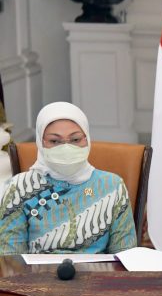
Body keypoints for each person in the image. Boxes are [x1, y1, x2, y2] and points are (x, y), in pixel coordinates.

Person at [0, 102, 137, 254]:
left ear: (87, 139)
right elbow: (10, 260)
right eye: (54, 141)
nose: (66, 148)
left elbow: (125, 256)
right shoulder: (19, 187)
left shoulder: (112, 186)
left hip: (98, 275)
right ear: (40, 142)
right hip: (38, 276)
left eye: (75, 139)